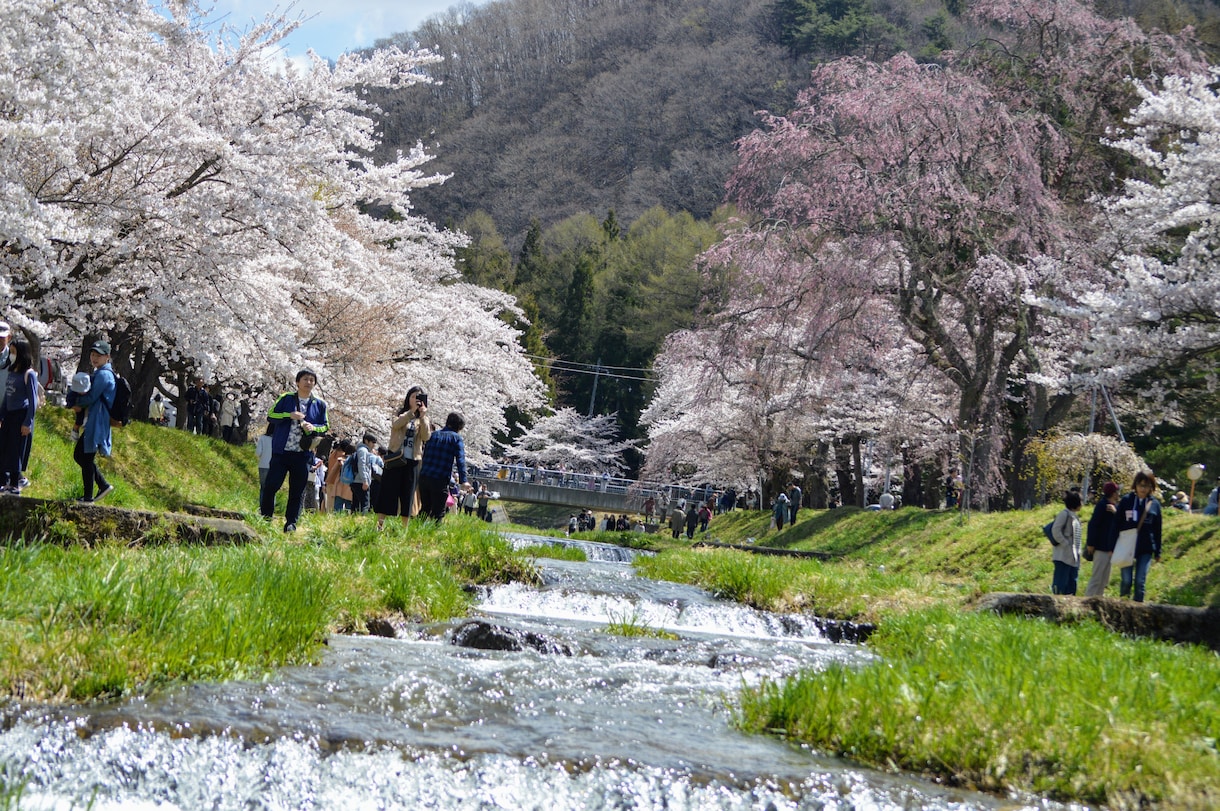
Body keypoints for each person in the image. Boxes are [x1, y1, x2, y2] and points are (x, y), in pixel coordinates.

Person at [259, 369, 329, 533]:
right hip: (281, 452)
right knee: (271, 485)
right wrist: (288, 415)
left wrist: (313, 427)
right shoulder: (286, 398)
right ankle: (266, 517)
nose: (308, 382)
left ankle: (291, 523)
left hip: (303, 454)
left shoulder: (319, 404)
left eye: (312, 380)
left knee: (297, 490)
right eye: (305, 379)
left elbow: (325, 426)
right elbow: (271, 416)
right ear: (297, 382)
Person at [375, 387, 432, 530]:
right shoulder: (401, 414)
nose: (416, 400)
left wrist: (423, 416)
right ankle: (379, 525)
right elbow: (395, 425)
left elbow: (426, 437)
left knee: (408, 494)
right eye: (413, 396)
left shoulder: (423, 418)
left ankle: (404, 529)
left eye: (419, 397)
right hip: (395, 458)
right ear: (408, 398)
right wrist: (411, 412)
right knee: (388, 491)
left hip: (412, 461)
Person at [72, 340, 117, 502]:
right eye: (92, 355)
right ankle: (102, 486)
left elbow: (91, 396)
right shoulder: (101, 373)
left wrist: (76, 403)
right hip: (95, 419)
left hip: (98, 420)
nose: (94, 358)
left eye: (98, 355)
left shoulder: (104, 375)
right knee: (82, 456)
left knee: (83, 455)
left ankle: (89, 495)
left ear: (107, 357)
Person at [1115, 471, 1162, 603]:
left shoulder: (1154, 504)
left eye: (1146, 486)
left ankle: (1138, 608)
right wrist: (1112, 545)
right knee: (1126, 580)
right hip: (1127, 545)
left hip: (1146, 547)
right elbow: (1116, 524)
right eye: (1140, 485)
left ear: (1151, 488)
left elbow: (1158, 529)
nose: (1143, 489)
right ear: (1135, 485)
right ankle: (1123, 606)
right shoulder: (1126, 501)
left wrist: (1158, 551)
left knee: (1140, 581)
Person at [0, 337, 38, 493]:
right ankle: (5, 481)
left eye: (14, 352)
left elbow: (33, 400)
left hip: (20, 415)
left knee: (16, 449)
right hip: (8, 414)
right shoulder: (12, 371)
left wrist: (27, 422)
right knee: (4, 446)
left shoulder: (29, 374)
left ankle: (15, 483)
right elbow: (6, 397)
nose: (12, 355)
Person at [417, 411, 468, 522]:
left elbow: (424, 455)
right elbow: (460, 459)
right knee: (438, 512)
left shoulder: (433, 435)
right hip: (439, 479)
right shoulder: (456, 438)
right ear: (459, 427)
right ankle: (433, 535)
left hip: (424, 476)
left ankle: (414, 531)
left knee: (425, 508)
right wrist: (463, 480)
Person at [1084, 481, 1121, 597]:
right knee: (1097, 577)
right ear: (1113, 493)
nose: (1119, 494)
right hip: (1100, 547)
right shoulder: (1102, 505)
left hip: (1110, 548)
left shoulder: (1115, 507)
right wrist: (1091, 543)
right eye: (1117, 491)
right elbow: (1093, 524)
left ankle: (1097, 601)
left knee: (1104, 580)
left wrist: (1116, 513)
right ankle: (1087, 601)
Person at [1050, 490, 1083, 595]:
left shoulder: (1075, 516)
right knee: (1060, 585)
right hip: (1062, 557)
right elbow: (1055, 530)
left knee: (1072, 584)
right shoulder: (1064, 514)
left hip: (1073, 557)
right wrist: (1065, 543)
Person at [349, 432, 379, 513]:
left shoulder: (360, 450)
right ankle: (363, 522)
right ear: (366, 441)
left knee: (355, 505)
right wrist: (365, 480)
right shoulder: (363, 451)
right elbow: (361, 465)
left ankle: (353, 522)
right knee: (365, 505)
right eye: (373, 442)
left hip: (357, 480)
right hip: (361, 481)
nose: (374, 445)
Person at [255, 422, 274, 497]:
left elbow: (258, 453)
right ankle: (270, 507)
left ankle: (262, 507)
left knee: (263, 488)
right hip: (275, 466)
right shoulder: (278, 439)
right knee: (272, 490)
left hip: (263, 465)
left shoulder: (263, 438)